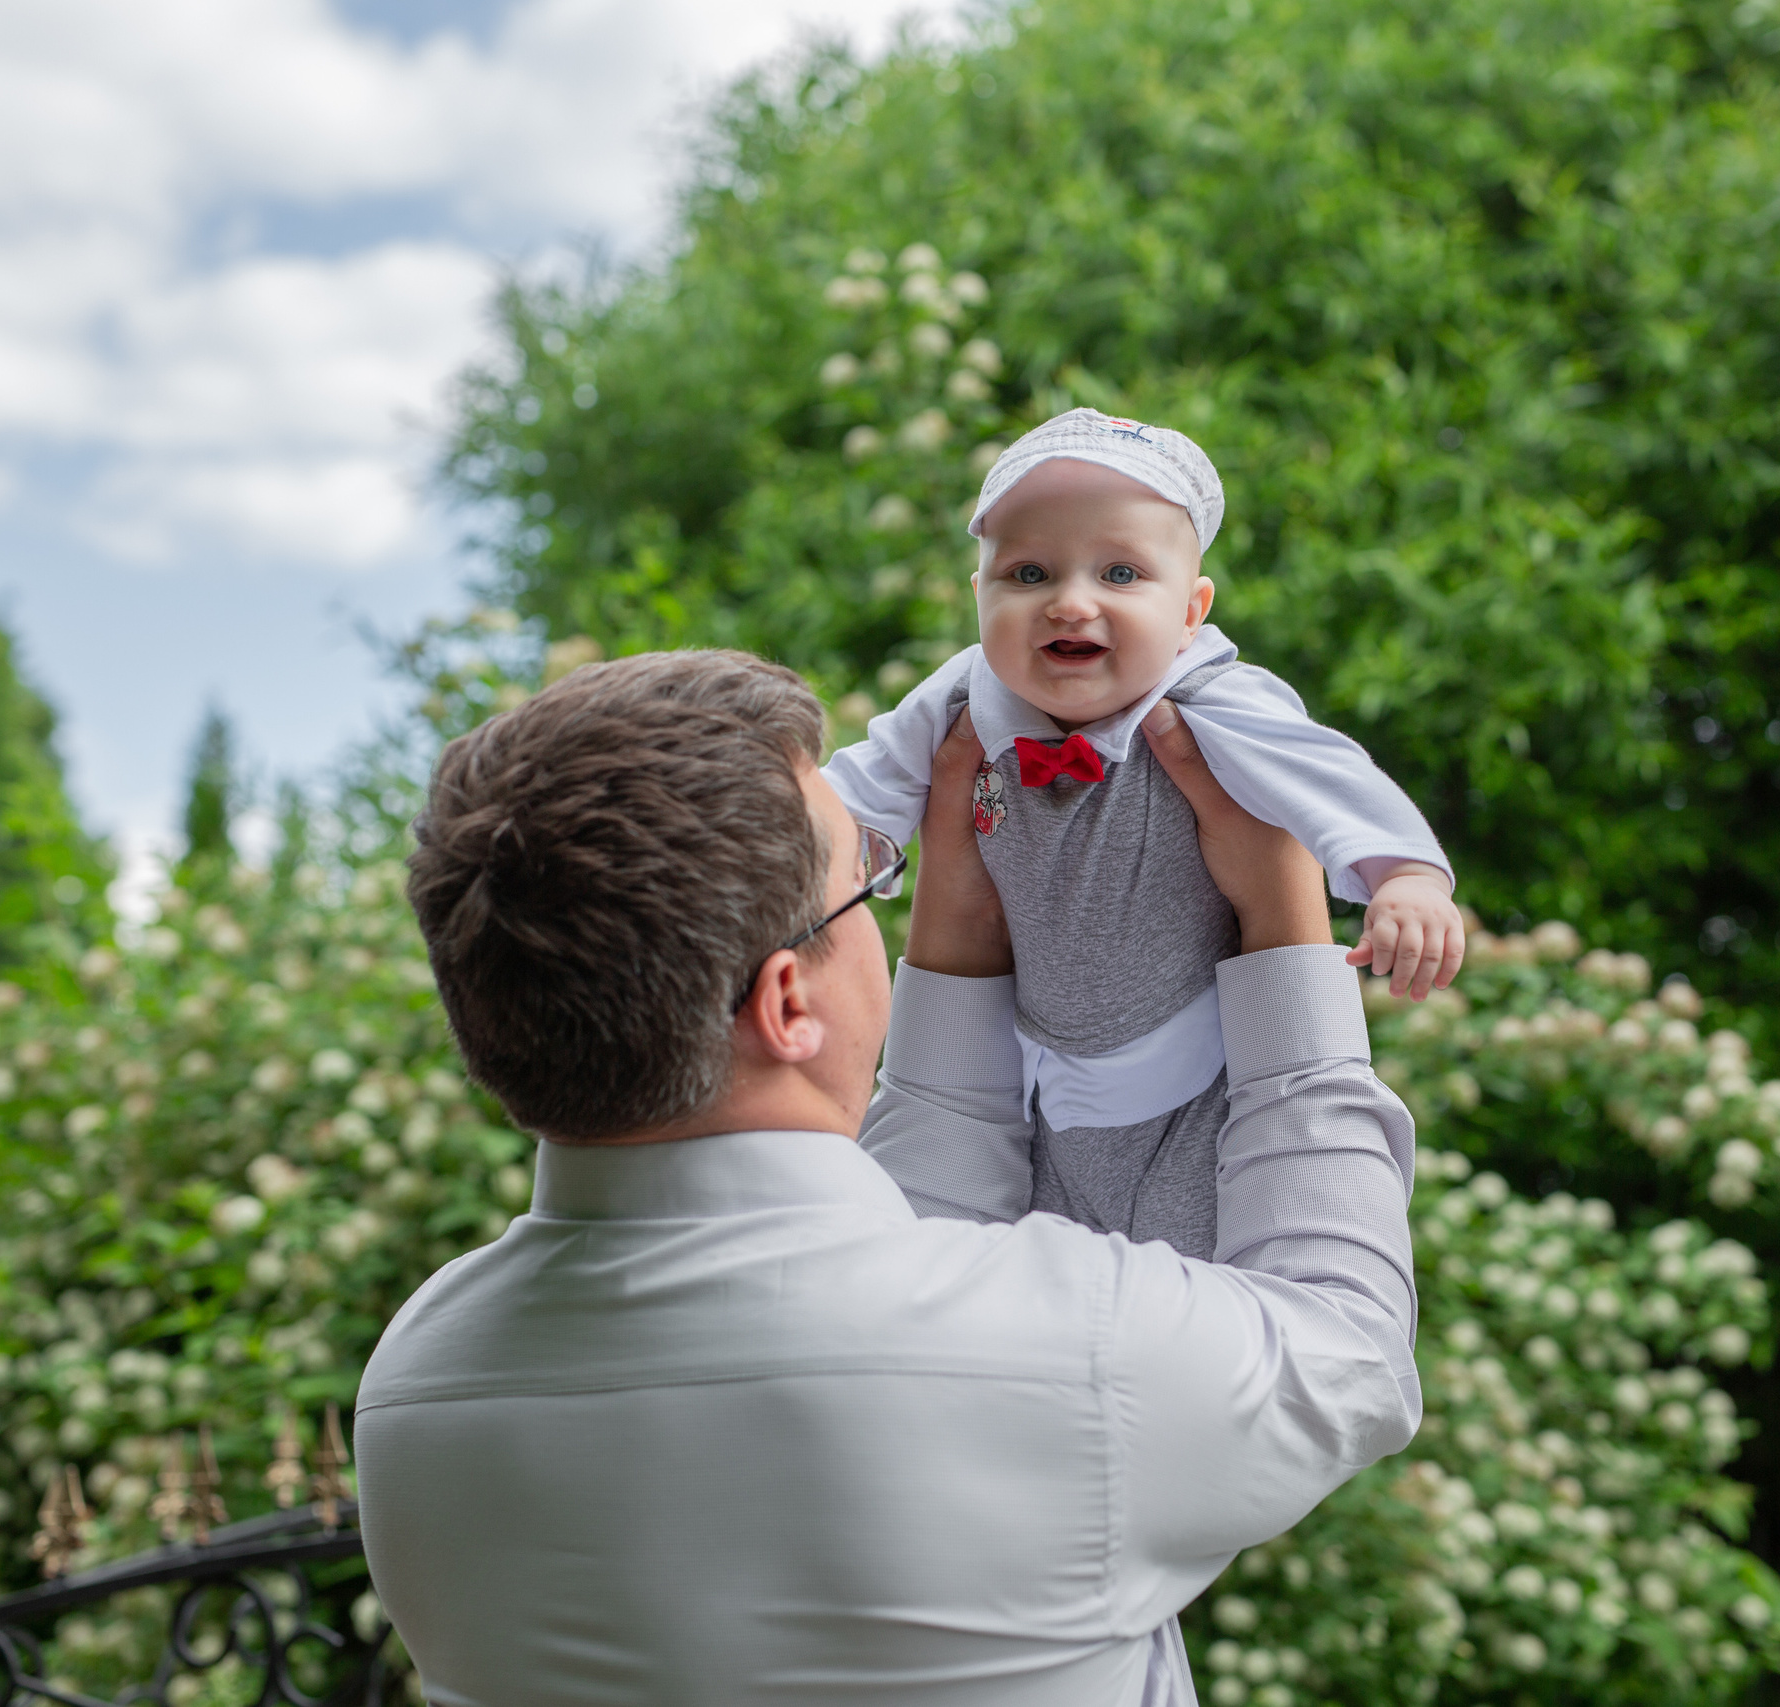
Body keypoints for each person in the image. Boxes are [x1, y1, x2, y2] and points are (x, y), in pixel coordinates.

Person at [356, 648, 1422, 1706]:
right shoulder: (1077, 1346)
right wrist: (1284, 919)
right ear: (786, 1002)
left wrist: (956, 949)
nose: (882, 918)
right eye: (866, 888)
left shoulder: (416, 1382)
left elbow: (881, 1293)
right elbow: (1346, 1349)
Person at [825, 407, 1463, 1259]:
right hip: (1039, 1087)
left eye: (1120, 572)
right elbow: (851, 796)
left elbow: (1329, 775)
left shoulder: (1211, 698)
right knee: (1024, 1274)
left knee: (1216, 1277)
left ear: (1191, 609)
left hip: (1199, 1083)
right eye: (1028, 573)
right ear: (979, 596)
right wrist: (803, 871)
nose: (1070, 602)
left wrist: (1405, 875)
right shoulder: (962, 699)